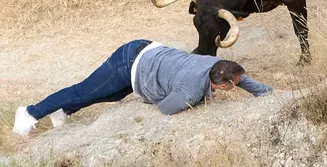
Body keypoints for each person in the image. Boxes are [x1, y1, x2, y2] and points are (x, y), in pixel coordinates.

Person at [13, 39, 272, 136]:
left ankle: (63, 110)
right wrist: (200, 98)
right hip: (128, 63)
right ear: (223, 85)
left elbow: (242, 78)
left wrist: (264, 92)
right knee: (84, 90)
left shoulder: (219, 65)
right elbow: (166, 107)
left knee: (108, 95)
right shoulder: (191, 90)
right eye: (234, 85)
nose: (239, 84)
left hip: (145, 57)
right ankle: (30, 113)